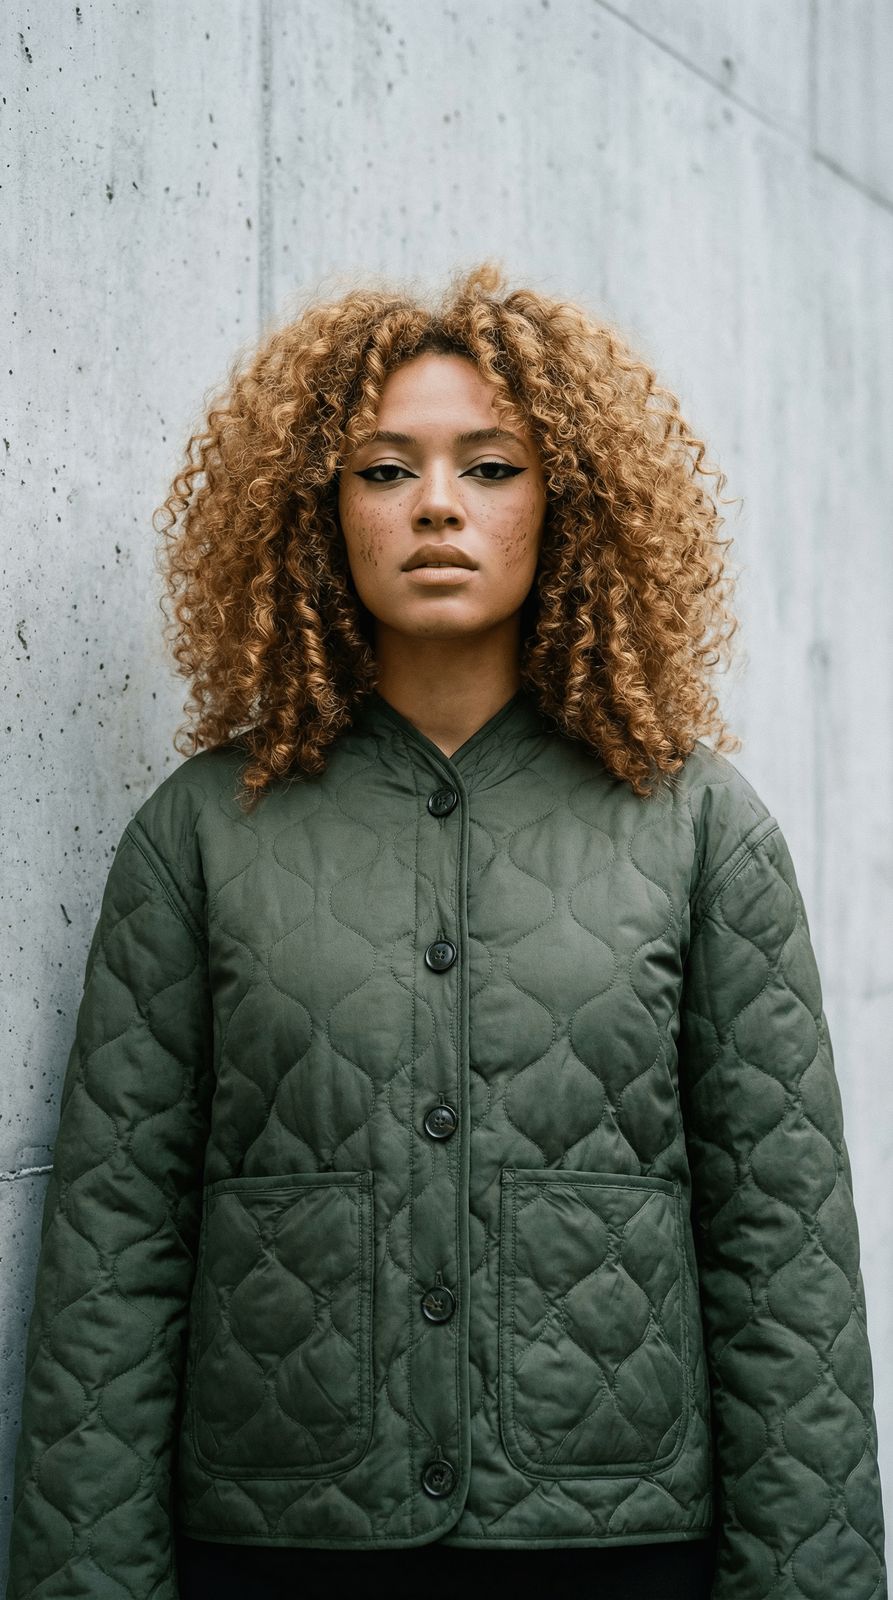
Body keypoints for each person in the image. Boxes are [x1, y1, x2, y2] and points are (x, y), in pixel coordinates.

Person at [5, 262, 886, 1600]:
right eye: (380, 471)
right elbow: (112, 1257)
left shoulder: (698, 827)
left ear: (567, 504)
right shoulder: (201, 831)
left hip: (616, 1549)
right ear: (316, 511)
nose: (433, 507)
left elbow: (784, 1267)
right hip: (277, 1549)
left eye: (488, 468)